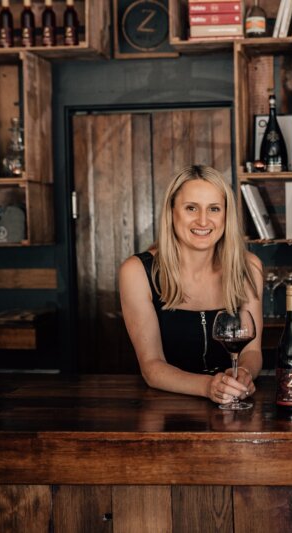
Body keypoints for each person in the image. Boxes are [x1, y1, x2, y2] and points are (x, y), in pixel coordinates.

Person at [119, 165, 264, 405]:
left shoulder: (248, 267)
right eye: (191, 208)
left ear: (226, 216)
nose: (203, 220)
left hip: (232, 407)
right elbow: (151, 366)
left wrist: (244, 375)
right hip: (167, 411)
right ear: (171, 211)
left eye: (214, 209)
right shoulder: (137, 271)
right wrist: (209, 387)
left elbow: (252, 352)